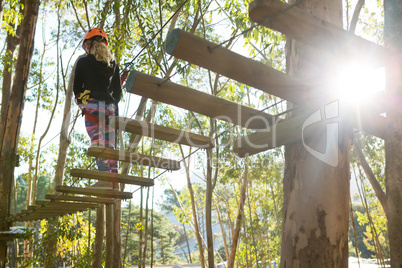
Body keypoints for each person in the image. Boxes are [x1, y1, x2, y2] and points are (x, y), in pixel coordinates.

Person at [73, 27, 121, 190]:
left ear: (90, 43)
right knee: (110, 145)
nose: (85, 49)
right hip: (110, 108)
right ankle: (115, 182)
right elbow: (118, 93)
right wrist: (111, 106)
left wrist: (82, 103)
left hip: (93, 106)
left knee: (98, 143)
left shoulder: (83, 61)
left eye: (86, 45)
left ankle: (104, 178)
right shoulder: (113, 64)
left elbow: (77, 88)